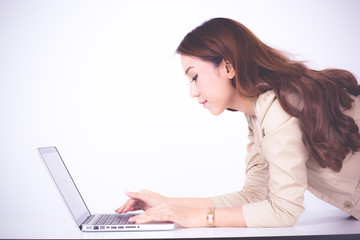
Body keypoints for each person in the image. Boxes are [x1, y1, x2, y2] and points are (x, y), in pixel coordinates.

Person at [115, 18, 360, 228]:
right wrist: (168, 205)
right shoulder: (257, 112)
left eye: (194, 77)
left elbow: (284, 211)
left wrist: (201, 218)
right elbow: (254, 195)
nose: (192, 92)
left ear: (229, 67)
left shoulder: (278, 106)